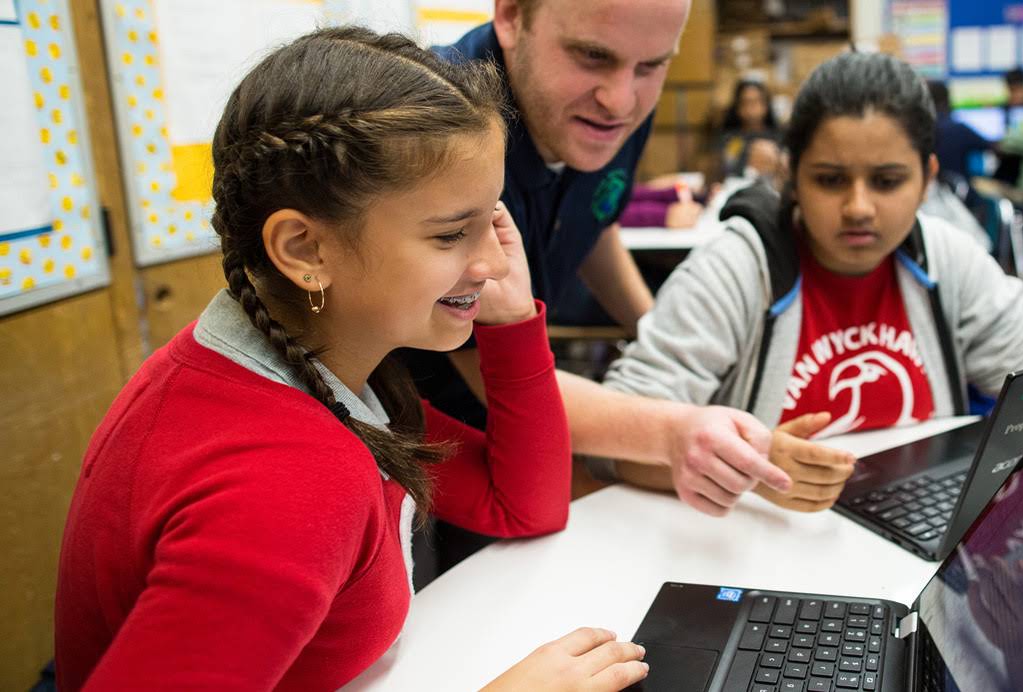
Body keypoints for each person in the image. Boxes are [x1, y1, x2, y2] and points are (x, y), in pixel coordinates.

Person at [53, 28, 647, 690]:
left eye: (493, 222)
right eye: (452, 232)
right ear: (305, 250)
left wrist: (509, 321)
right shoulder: (287, 486)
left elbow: (524, 507)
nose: (495, 262)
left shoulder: (315, 372)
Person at [600, 52, 1023, 512]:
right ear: (792, 178)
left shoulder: (947, 258)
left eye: (887, 181)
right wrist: (749, 464)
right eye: (829, 179)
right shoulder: (737, 268)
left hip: (913, 538)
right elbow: (612, 447)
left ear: (926, 181)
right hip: (762, 549)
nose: (858, 206)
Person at [421, 0, 794, 527]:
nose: (619, 100)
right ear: (510, 17)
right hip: (419, 424)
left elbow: (592, 218)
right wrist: (673, 430)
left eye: (651, 66)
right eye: (592, 56)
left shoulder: (613, 106)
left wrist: (665, 339)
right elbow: (488, 370)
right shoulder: (444, 126)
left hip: (510, 405)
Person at [715, 79, 783, 179]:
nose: (750, 108)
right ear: (737, 107)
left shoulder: (779, 137)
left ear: (765, 105)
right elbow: (726, 170)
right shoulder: (731, 140)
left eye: (755, 102)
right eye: (745, 102)